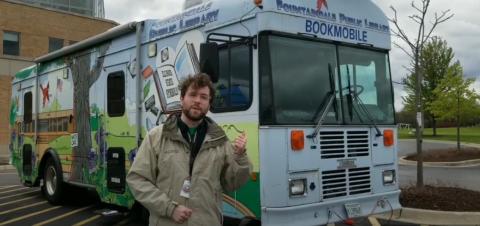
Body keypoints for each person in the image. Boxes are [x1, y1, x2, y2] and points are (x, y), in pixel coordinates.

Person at [127, 73, 251, 226]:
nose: (198, 101)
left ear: (209, 103)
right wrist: (169, 208)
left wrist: (240, 157)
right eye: (192, 94)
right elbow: (137, 179)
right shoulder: (157, 137)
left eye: (204, 97)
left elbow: (232, 184)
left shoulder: (220, 141)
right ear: (182, 98)